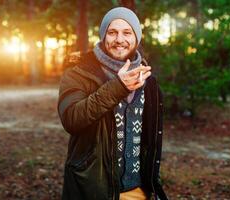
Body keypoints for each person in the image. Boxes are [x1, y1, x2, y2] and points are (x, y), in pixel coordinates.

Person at [58, 7, 168, 200]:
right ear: (103, 36)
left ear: (137, 38)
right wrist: (118, 87)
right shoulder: (78, 73)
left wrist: (151, 183)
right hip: (92, 190)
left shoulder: (148, 81)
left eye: (127, 33)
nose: (119, 39)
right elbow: (71, 119)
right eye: (112, 32)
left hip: (138, 191)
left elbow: (150, 142)